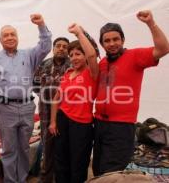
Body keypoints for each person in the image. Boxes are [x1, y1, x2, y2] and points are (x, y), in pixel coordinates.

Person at [93, 10, 169, 176]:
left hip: (121, 126)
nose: (112, 43)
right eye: (107, 40)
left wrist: (151, 23)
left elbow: (163, 48)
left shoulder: (135, 56)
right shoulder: (103, 62)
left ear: (123, 40)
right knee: (98, 168)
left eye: (115, 39)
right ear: (102, 44)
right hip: (99, 124)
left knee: (112, 172)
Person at [0, 14, 52, 183]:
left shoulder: (29, 55)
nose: (10, 37)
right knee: (8, 150)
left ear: (18, 38)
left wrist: (41, 25)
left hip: (28, 107)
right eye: (6, 35)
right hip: (6, 110)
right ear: (0, 40)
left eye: (13, 34)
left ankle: (21, 180)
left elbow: (45, 45)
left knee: (24, 148)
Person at [49, 23, 99, 183]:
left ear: (85, 56)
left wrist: (79, 33)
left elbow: (92, 55)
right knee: (60, 160)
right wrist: (53, 121)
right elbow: (57, 97)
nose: (74, 58)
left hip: (82, 124)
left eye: (78, 54)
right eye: (71, 55)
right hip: (62, 120)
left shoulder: (91, 73)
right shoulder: (68, 73)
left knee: (78, 162)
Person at [33, 37, 70, 183]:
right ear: (53, 48)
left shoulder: (73, 65)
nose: (61, 48)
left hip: (66, 113)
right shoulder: (43, 64)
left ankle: (62, 178)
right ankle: (46, 178)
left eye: (65, 47)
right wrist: (45, 95)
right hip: (46, 113)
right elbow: (34, 85)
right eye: (58, 46)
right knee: (47, 147)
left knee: (65, 147)